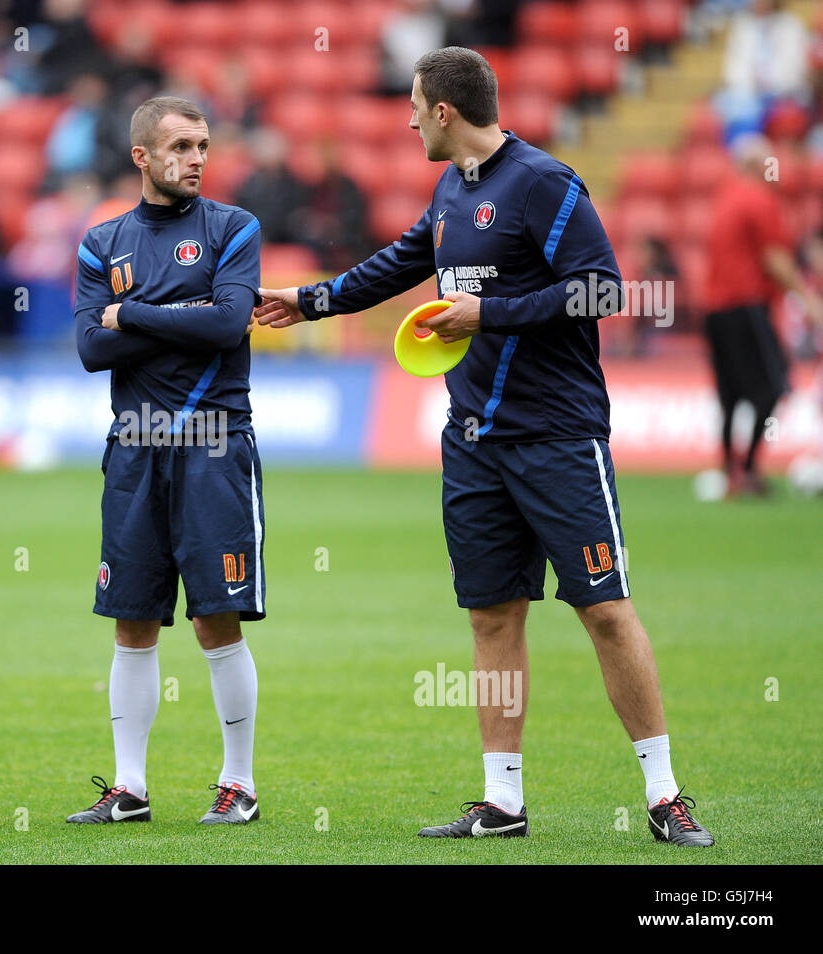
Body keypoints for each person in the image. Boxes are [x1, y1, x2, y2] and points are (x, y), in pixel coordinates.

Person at [255, 47, 715, 846]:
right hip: (471, 441)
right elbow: (405, 258)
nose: (402, 118)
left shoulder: (543, 181)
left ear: (443, 111)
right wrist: (313, 300)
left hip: (558, 436)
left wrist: (488, 314)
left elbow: (602, 288)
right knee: (492, 617)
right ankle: (502, 801)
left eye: (411, 104)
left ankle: (665, 795)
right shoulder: (449, 188)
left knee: (605, 609)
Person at [70, 96, 265, 825]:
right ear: (143, 157)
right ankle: (130, 788)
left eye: (204, 145)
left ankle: (238, 784)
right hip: (134, 448)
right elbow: (92, 348)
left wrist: (136, 313)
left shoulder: (234, 227)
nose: (197, 158)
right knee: (131, 621)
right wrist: (186, 313)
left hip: (213, 443)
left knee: (217, 619)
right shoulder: (102, 241)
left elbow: (226, 323)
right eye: (181, 145)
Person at [703, 133, 823, 496]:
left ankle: (730, 472)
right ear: (760, 166)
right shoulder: (760, 200)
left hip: (715, 311)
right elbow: (775, 260)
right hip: (747, 308)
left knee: (729, 393)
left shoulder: (724, 198)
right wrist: (810, 301)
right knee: (772, 387)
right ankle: (750, 468)